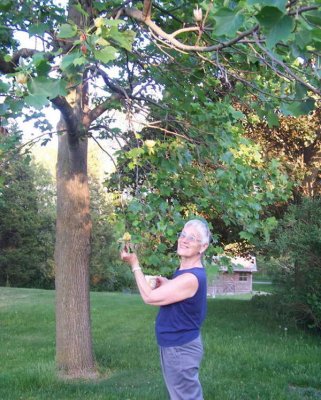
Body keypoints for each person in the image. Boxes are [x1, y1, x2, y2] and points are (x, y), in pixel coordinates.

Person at [120, 218, 211, 400]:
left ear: (203, 247)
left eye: (192, 238)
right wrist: (169, 283)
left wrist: (135, 265)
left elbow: (150, 298)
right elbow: (184, 298)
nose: (184, 240)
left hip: (180, 348)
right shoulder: (184, 273)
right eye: (183, 234)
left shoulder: (191, 277)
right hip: (175, 345)